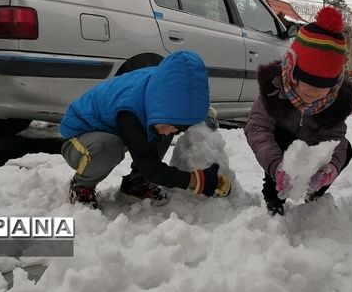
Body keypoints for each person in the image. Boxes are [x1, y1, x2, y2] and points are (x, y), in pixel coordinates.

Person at [59, 50, 230, 209]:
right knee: (110, 146)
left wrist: (200, 115)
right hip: (79, 138)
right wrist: (196, 180)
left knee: (161, 131)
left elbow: (186, 98)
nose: (173, 132)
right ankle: (82, 186)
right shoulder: (130, 113)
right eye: (173, 126)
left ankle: (136, 183)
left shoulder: (161, 94)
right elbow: (151, 168)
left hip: (116, 127)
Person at [244, 6, 352, 216]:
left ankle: (315, 192)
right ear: (293, 71)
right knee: (278, 138)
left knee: (345, 149)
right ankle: (273, 196)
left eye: (322, 88)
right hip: (282, 144)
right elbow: (258, 129)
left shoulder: (336, 101)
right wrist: (277, 167)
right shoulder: (274, 90)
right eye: (309, 84)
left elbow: (335, 139)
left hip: (313, 145)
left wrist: (329, 168)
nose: (314, 93)